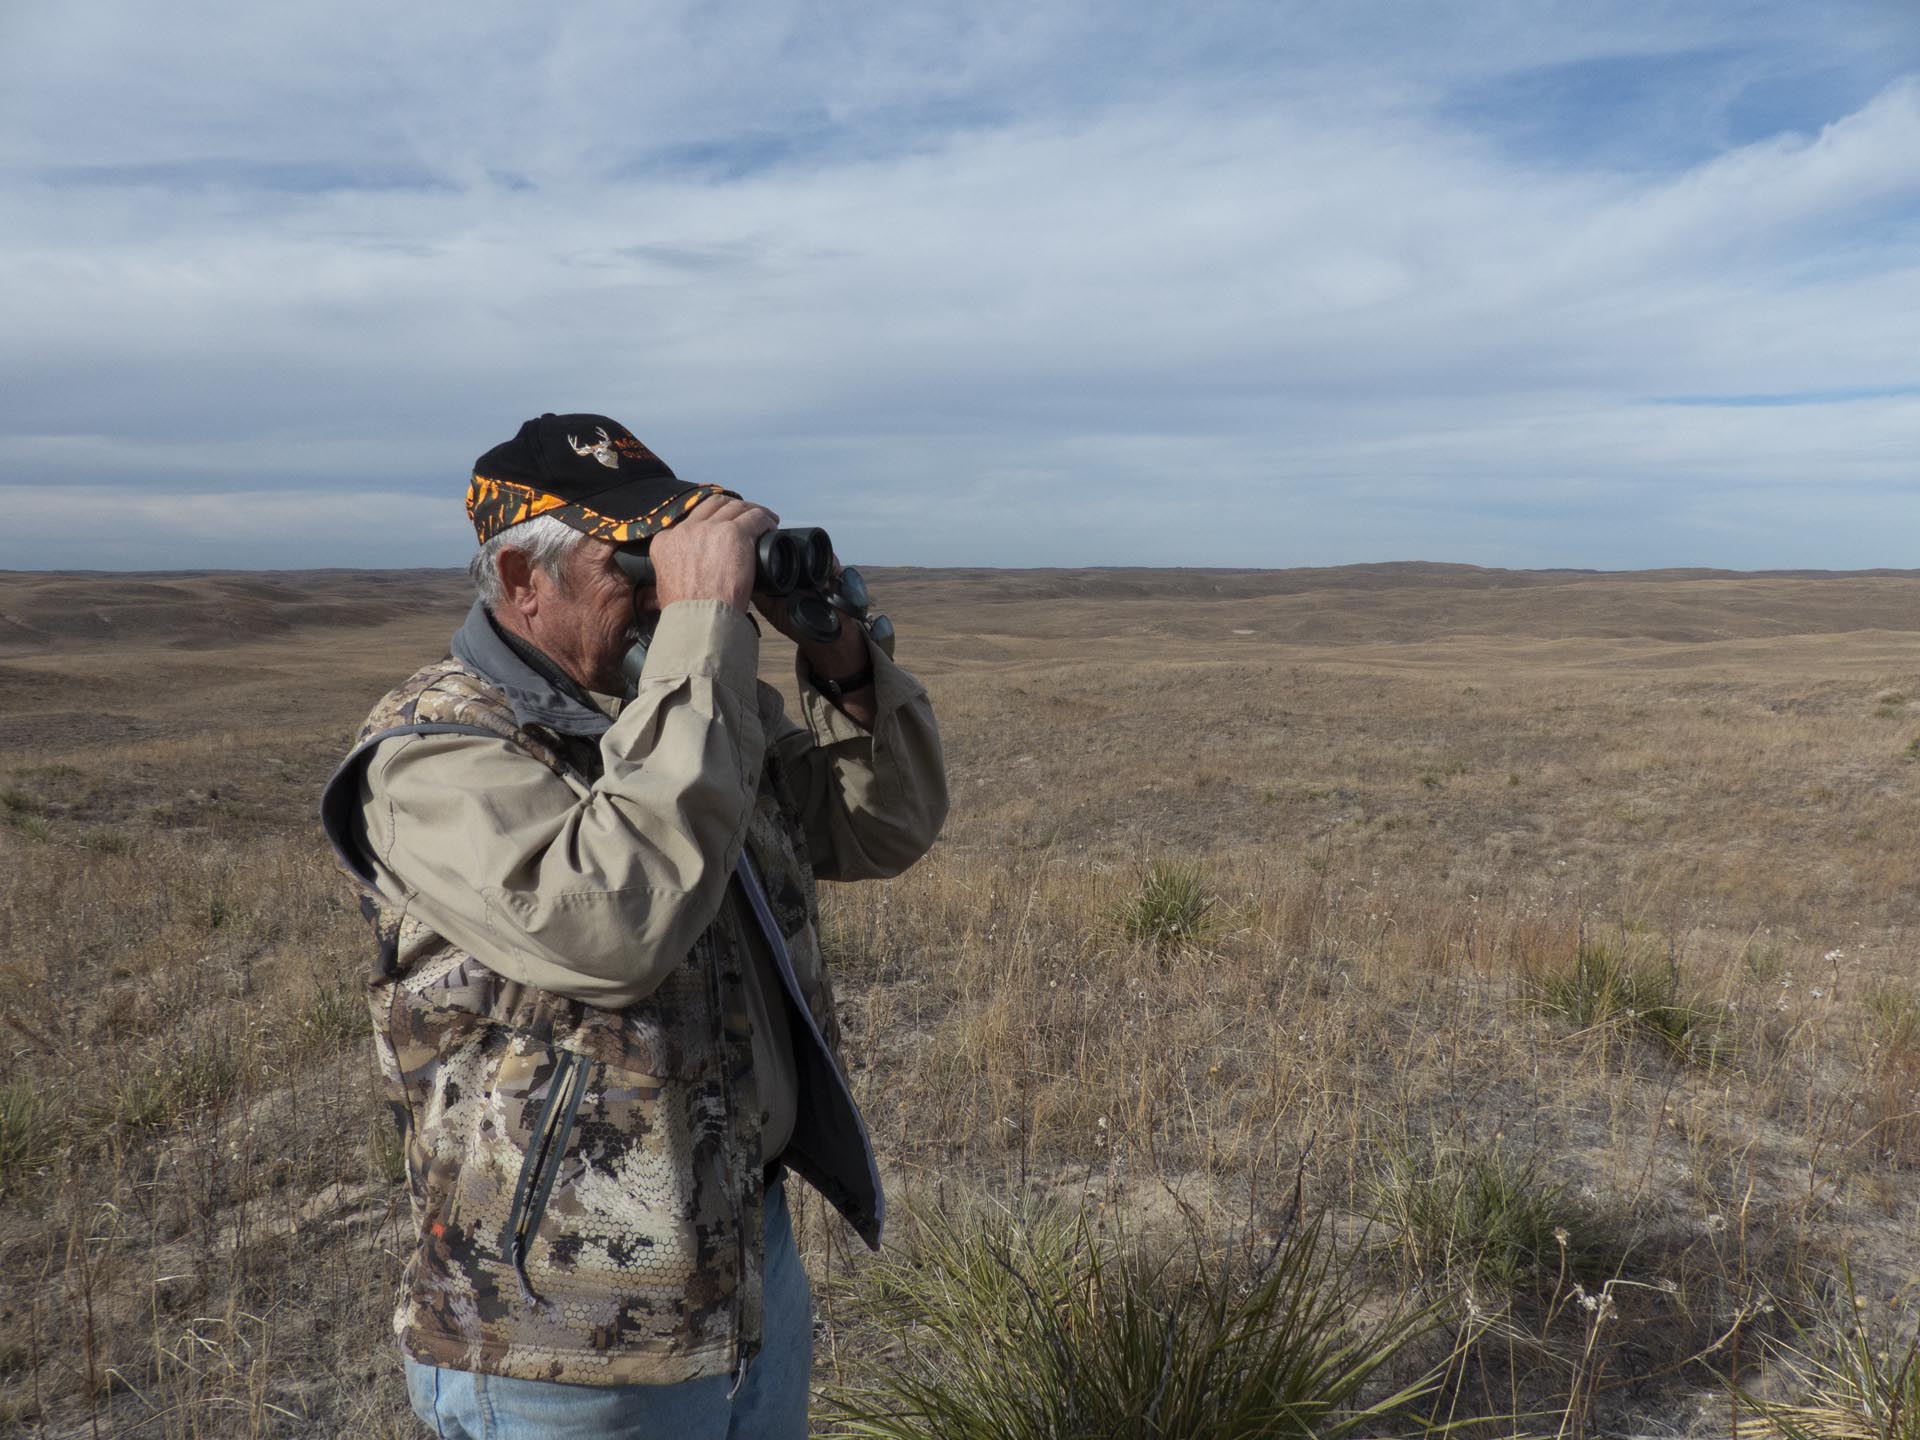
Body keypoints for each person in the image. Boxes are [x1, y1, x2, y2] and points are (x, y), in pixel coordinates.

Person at [319, 412, 948, 1438]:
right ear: (524, 579)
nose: (668, 594)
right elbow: (614, 920)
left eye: (678, 564)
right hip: (562, 1339)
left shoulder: (676, 708)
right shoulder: (432, 749)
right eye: (636, 567)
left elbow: (880, 830)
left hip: (743, 1266)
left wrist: (841, 658)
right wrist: (703, 640)